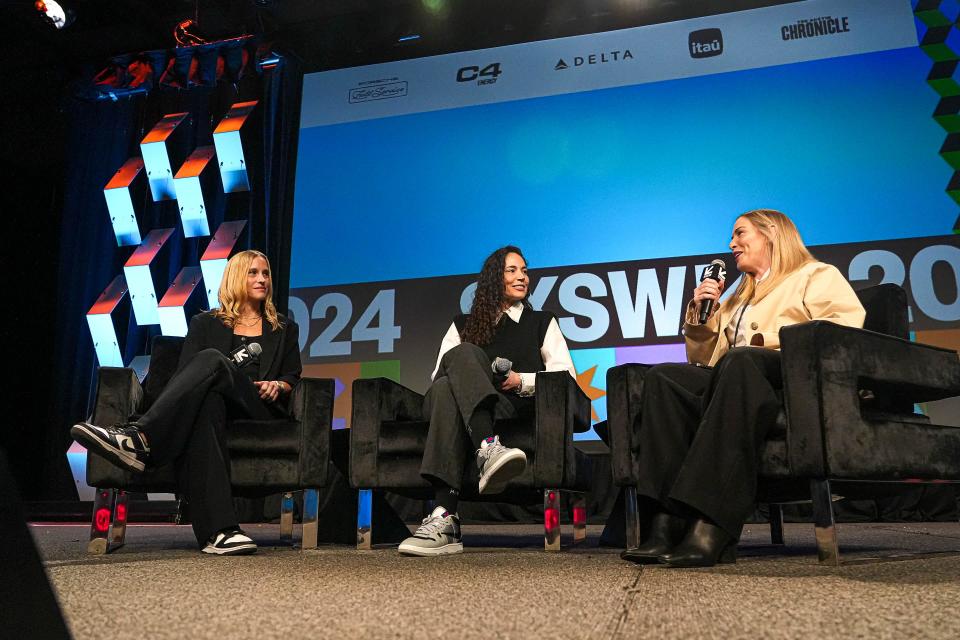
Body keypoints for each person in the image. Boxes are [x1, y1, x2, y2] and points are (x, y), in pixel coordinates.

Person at [620, 209, 865, 567]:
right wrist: (701, 314)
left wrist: (772, 348)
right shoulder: (737, 297)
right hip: (738, 381)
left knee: (742, 362)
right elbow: (706, 360)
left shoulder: (815, 275)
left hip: (790, 383)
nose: (731, 244)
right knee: (664, 378)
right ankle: (665, 523)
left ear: (771, 234)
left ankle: (711, 526)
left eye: (740, 234)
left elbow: (842, 334)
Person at [71, 250, 301, 556]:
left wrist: (279, 385)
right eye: (253, 272)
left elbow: (292, 375)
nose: (262, 279)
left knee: (212, 361)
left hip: (257, 407)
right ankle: (220, 532)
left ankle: (139, 438)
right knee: (208, 400)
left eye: (266, 273)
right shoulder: (205, 323)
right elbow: (186, 378)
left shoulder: (284, 327)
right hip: (217, 407)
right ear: (235, 277)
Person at [398, 246, 576, 556]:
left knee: (447, 391)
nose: (522, 277)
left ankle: (444, 518)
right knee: (460, 360)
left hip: (505, 409)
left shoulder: (542, 322)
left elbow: (565, 377)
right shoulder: (461, 324)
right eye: (512, 271)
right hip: (449, 405)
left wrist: (521, 381)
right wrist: (474, 369)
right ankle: (488, 448)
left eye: (524, 270)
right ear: (495, 279)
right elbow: (439, 375)